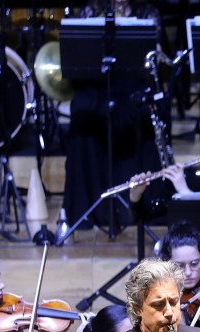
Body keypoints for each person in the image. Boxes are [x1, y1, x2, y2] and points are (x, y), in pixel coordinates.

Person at [63, 0, 162, 231]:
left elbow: (153, 56)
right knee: (82, 111)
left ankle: (137, 205)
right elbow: (76, 55)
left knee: (144, 111)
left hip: (132, 85)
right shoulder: (90, 10)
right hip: (96, 84)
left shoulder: (147, 12)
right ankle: (87, 206)